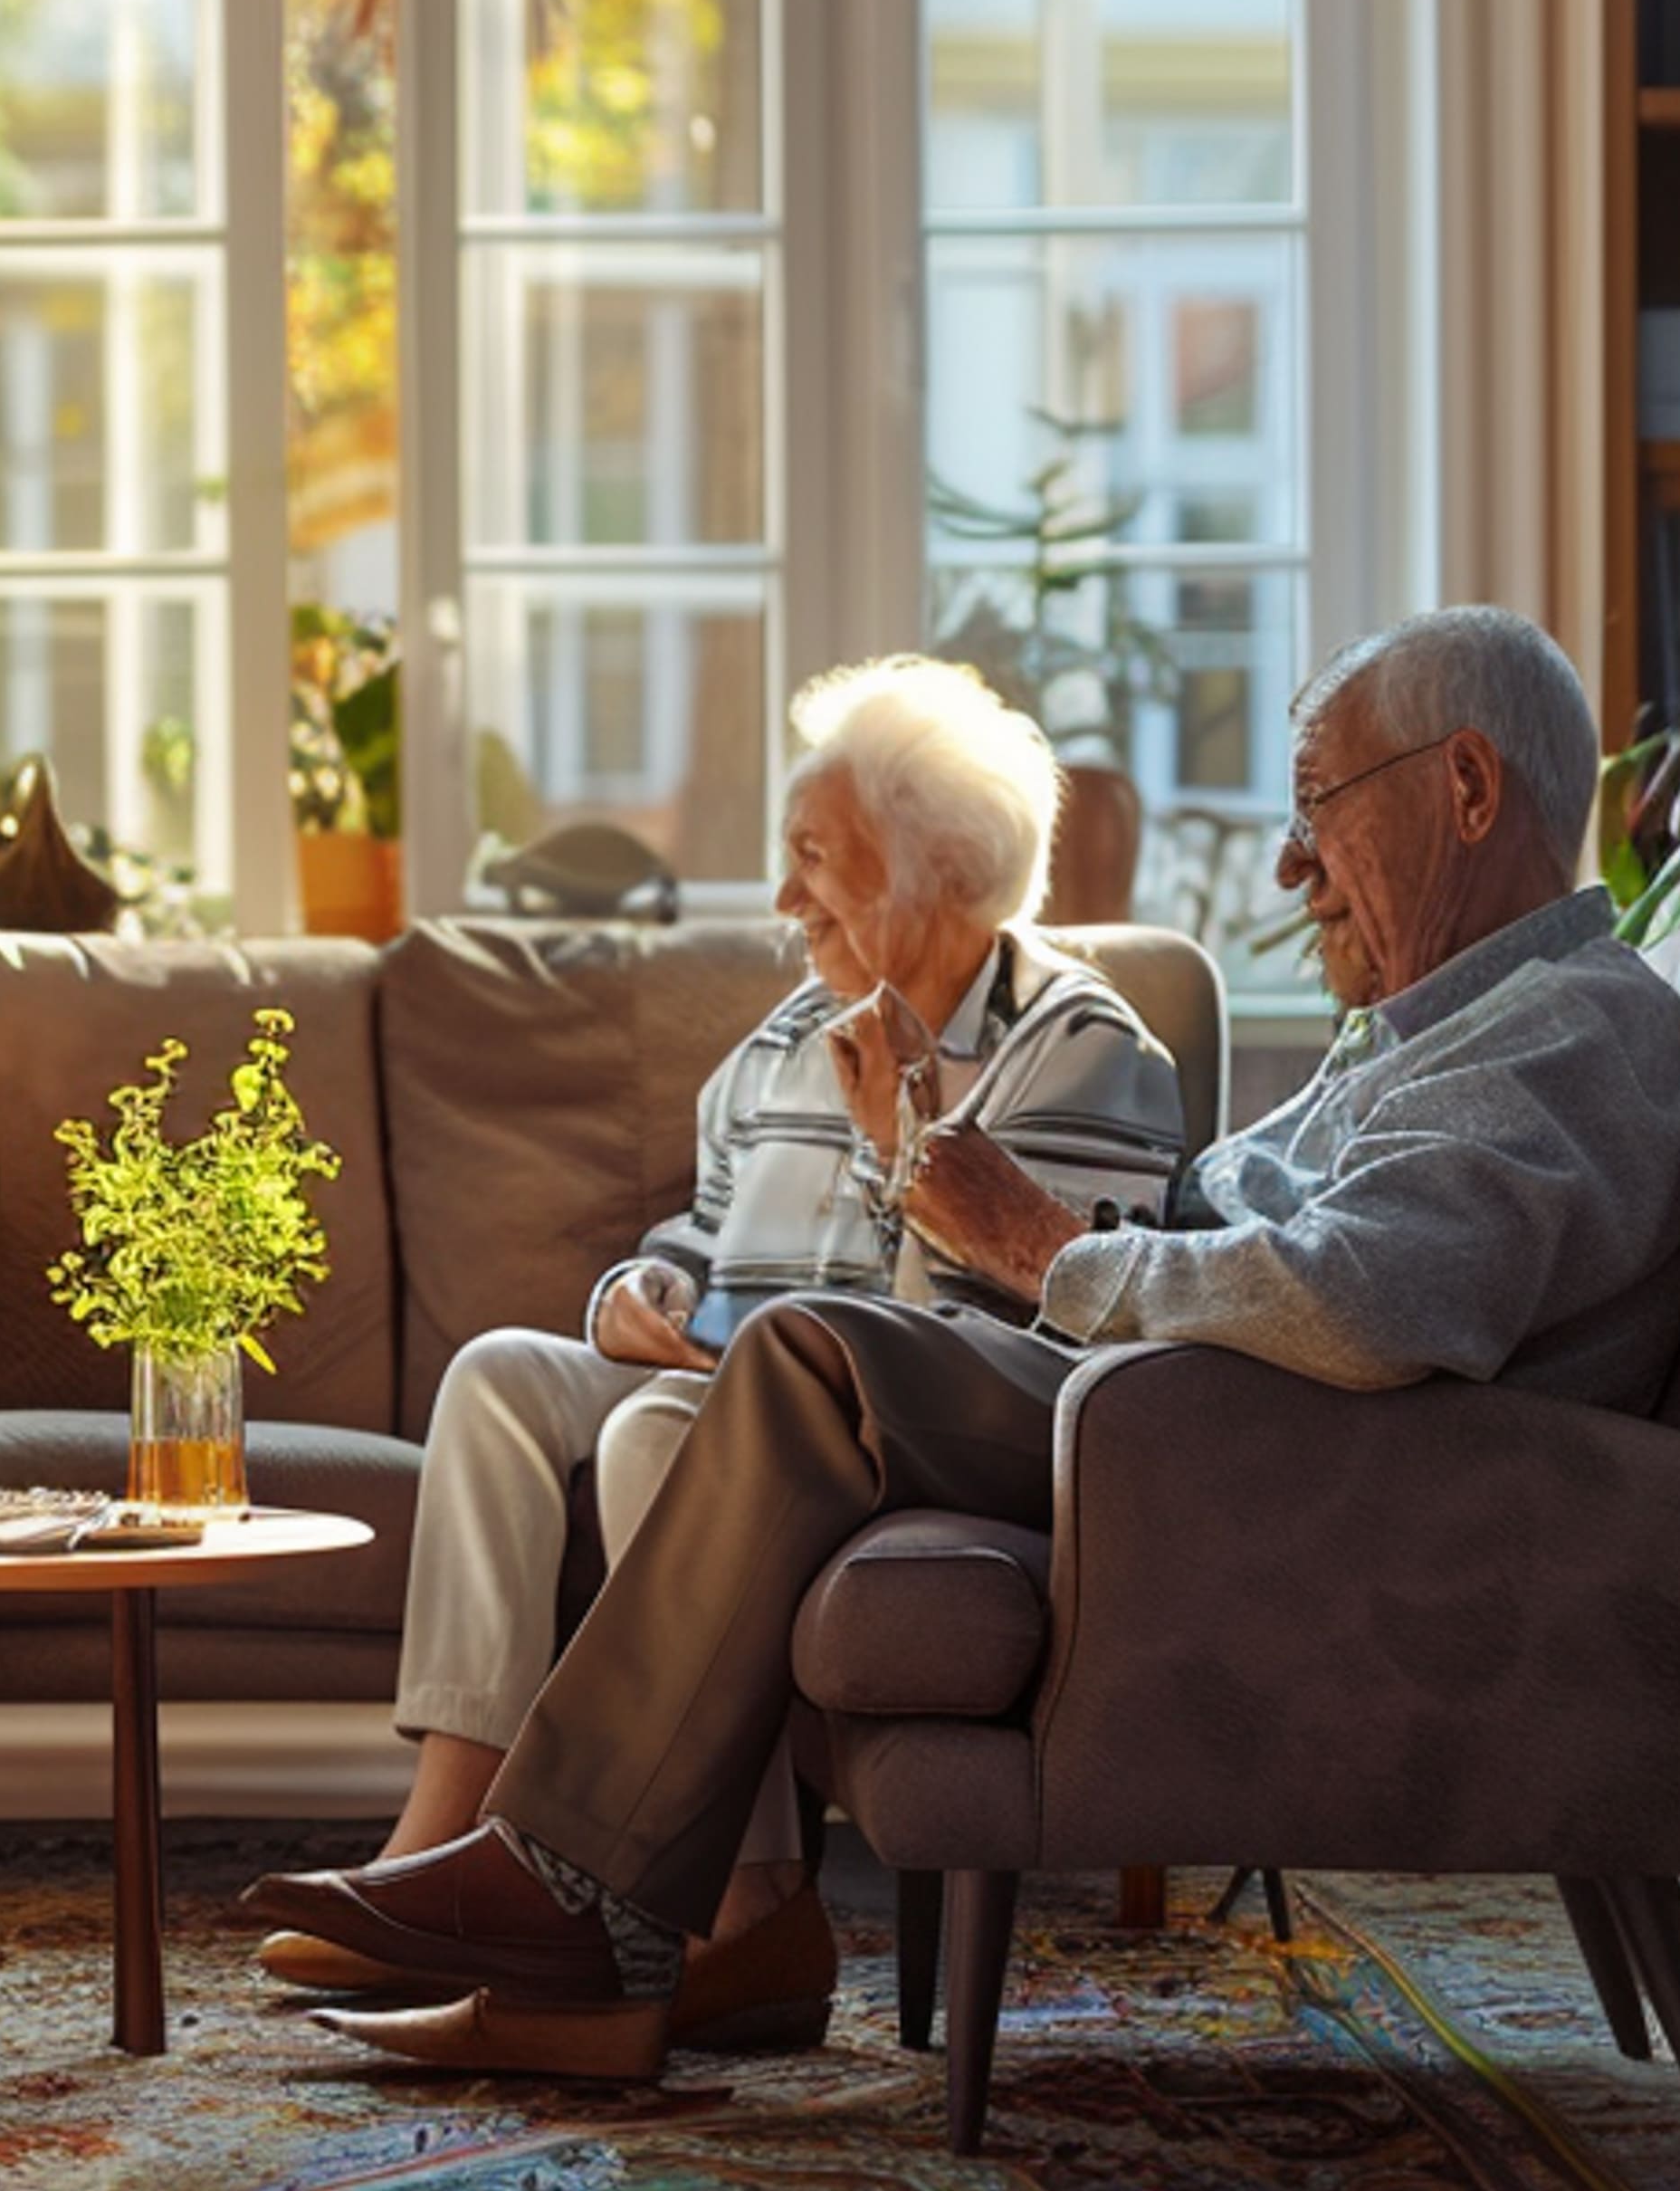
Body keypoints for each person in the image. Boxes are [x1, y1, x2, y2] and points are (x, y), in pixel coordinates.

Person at [242, 607, 1680, 2077]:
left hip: (1252, 1454)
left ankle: (558, 1892)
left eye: (1319, 804)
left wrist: (1040, 1245)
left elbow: (1362, 1304)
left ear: (1467, 786)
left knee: (810, 1353)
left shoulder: (1570, 1030)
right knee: (769, 1360)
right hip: (1186, 1408)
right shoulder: (1425, 1032)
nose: (1288, 860)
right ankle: (582, 1956)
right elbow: (1242, 1226)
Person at [272, 657, 1182, 2050]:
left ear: (937, 874)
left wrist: (902, 1153)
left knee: (653, 1434)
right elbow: (699, 1232)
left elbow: (1028, 1333)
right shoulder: (781, 1042)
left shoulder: (1084, 1054)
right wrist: (637, 1289)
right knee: (506, 1374)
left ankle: (748, 1905)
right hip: (713, 1376)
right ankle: (446, 1826)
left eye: (818, 860)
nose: (784, 899)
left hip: (859, 1442)